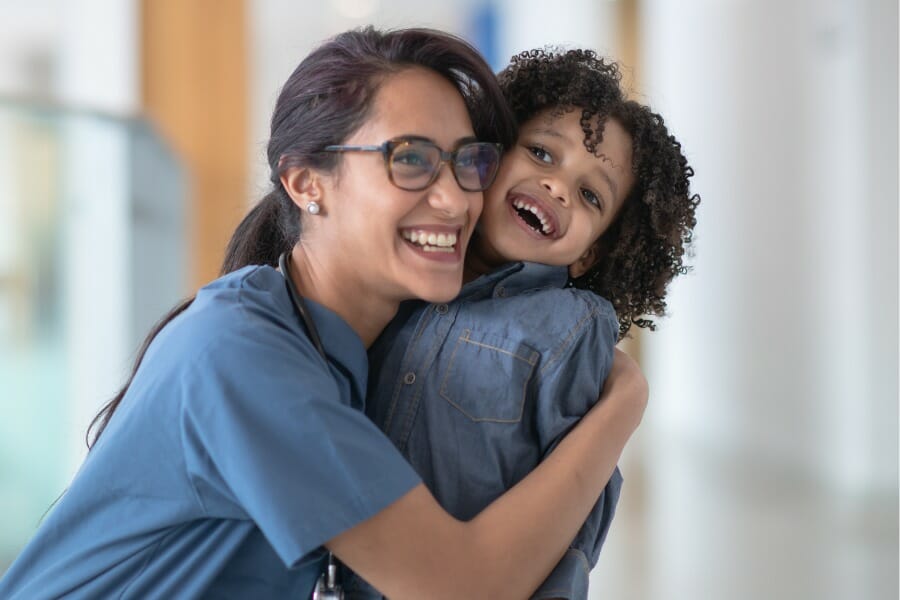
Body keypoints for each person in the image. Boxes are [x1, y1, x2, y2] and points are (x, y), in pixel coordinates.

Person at [0, 29, 647, 599]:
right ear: (307, 182)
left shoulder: (347, 355)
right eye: (411, 159)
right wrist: (623, 405)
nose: (455, 199)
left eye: (467, 161)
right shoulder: (242, 354)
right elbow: (462, 584)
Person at [346, 48, 700, 599]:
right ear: (486, 155)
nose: (558, 187)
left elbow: (569, 519)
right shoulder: (402, 271)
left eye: (589, 195)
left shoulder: (571, 328)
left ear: (590, 253)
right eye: (540, 152)